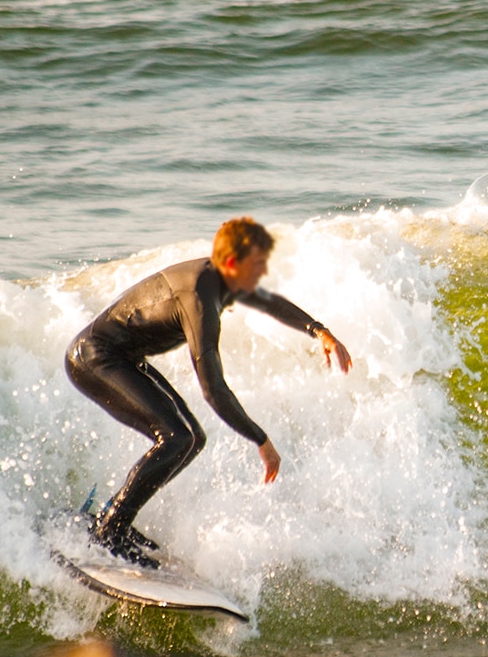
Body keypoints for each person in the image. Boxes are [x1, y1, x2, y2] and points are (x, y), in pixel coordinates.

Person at [64, 217, 352, 568]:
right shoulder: (200, 299)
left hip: (122, 357)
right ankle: (110, 530)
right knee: (173, 438)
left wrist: (319, 331)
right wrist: (261, 440)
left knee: (191, 438)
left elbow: (271, 302)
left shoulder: (225, 279)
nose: (261, 275)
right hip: (94, 358)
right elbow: (213, 390)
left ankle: (116, 517)